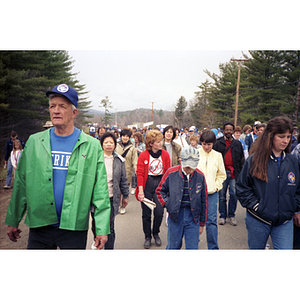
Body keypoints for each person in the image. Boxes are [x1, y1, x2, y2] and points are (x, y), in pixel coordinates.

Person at [5, 84, 111, 250]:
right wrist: (13, 220)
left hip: (73, 226)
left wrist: (102, 228)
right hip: (40, 225)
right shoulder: (34, 142)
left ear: (74, 112)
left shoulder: (91, 146)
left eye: (62, 106)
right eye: (52, 106)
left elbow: (100, 191)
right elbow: (21, 184)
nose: (56, 110)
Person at [236, 116, 300, 249]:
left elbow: (298, 189)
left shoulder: (292, 161)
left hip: (284, 221)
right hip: (258, 220)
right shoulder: (254, 160)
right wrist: (257, 206)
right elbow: (242, 187)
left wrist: (294, 207)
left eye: (288, 137)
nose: (286, 141)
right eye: (281, 136)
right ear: (271, 136)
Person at [156, 146, 208, 249]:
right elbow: (160, 191)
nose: (189, 170)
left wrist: (202, 223)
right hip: (175, 215)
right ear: (180, 161)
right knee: (173, 247)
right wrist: (168, 204)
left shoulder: (200, 176)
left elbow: (204, 201)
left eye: (192, 167)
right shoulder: (171, 173)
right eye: (187, 167)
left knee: (192, 248)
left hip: (193, 217)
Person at [91, 132, 129, 249]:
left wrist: (126, 196)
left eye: (111, 142)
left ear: (114, 144)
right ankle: (98, 242)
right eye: (106, 142)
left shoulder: (119, 160)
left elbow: (123, 179)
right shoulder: (95, 158)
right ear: (101, 144)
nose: (108, 145)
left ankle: (109, 249)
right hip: (97, 198)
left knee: (110, 226)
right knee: (96, 224)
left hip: (112, 197)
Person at [135, 129, 171, 249]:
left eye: (160, 141)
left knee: (159, 212)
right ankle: (147, 236)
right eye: (157, 142)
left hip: (159, 184)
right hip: (147, 184)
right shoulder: (143, 155)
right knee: (146, 213)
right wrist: (140, 191)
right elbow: (139, 173)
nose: (160, 143)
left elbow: (168, 172)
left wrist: (167, 189)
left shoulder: (165, 154)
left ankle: (155, 232)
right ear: (151, 144)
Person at [197, 130, 226, 250]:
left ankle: (213, 248)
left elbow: (222, 174)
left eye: (209, 144)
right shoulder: (196, 153)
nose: (206, 147)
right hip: (196, 193)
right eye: (204, 144)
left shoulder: (218, 155)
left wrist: (216, 186)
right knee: (194, 220)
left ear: (213, 143)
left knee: (211, 222)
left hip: (212, 193)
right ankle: (193, 246)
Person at [213, 122, 244, 226]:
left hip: (234, 173)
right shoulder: (218, 143)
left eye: (231, 130)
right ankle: (222, 215)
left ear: (233, 131)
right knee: (221, 196)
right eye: (227, 130)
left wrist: (241, 173)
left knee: (234, 194)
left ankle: (231, 215)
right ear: (223, 130)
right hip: (222, 173)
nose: (229, 132)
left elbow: (241, 160)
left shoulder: (237, 144)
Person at [115, 128, 138, 214]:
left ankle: (123, 206)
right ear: (121, 137)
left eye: (127, 136)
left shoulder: (132, 148)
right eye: (123, 136)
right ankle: (116, 206)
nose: (125, 138)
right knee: (116, 191)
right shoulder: (116, 146)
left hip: (127, 172)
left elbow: (135, 161)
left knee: (124, 191)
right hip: (116, 171)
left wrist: (137, 172)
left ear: (129, 138)